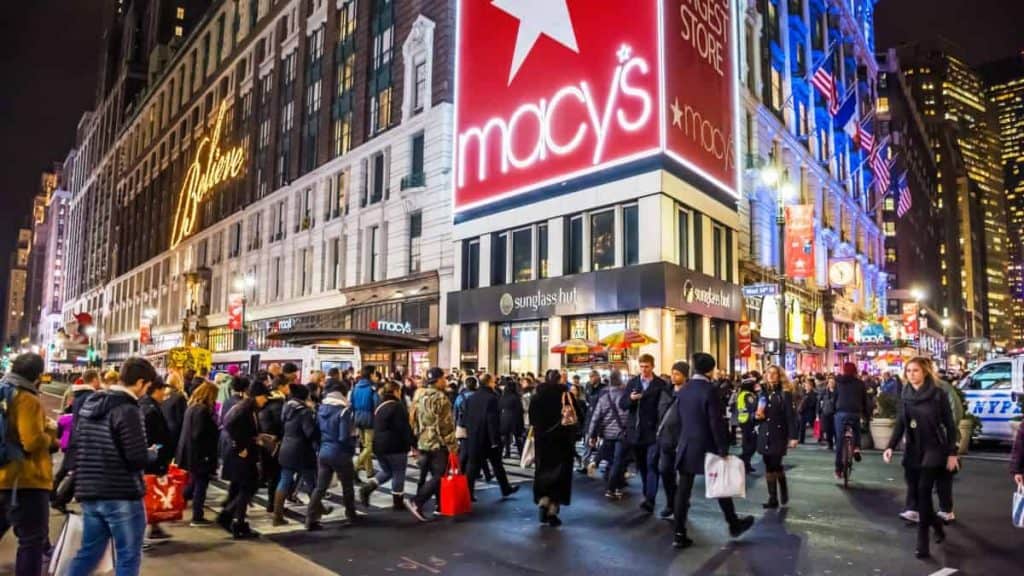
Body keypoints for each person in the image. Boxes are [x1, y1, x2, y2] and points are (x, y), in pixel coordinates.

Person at [68, 357, 157, 576]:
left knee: (89, 552)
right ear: (139, 382)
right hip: (121, 493)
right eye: (146, 386)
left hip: (90, 490)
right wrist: (152, 454)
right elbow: (135, 457)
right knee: (127, 556)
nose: (146, 391)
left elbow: (79, 444)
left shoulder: (90, 404)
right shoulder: (128, 409)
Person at [673, 353, 755, 549]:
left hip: (686, 444)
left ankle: (678, 532)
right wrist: (722, 447)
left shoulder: (683, 390)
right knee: (720, 484)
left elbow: (679, 418)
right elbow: (715, 422)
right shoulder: (710, 390)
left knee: (683, 491)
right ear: (710, 370)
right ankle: (733, 523)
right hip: (706, 444)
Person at [883, 357, 958, 560]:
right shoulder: (905, 394)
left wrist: (952, 453)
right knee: (919, 495)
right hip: (913, 449)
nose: (911, 374)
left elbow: (950, 426)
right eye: (908, 371)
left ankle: (922, 544)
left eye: (915, 370)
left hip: (934, 447)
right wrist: (890, 446)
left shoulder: (938, 394)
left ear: (925, 372)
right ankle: (937, 527)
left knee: (924, 492)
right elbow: (900, 423)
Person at [0, 353, 58, 576]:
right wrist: (51, 432)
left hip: (3, 476)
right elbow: (32, 441)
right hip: (26, 480)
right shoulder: (26, 399)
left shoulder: (4, 392)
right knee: (32, 541)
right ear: (37, 375)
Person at [618, 353, 671, 513]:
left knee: (651, 464)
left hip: (653, 432)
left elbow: (665, 406)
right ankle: (647, 493)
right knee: (642, 465)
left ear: (652, 367)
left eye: (647, 367)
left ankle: (650, 499)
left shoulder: (660, 384)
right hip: (636, 432)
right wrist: (631, 399)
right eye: (641, 367)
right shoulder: (633, 383)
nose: (644, 370)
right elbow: (623, 404)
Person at [406, 367, 458, 521]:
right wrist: (453, 446)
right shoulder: (441, 398)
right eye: (444, 378)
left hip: (422, 439)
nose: (446, 381)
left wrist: (414, 439)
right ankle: (417, 501)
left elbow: (412, 418)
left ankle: (440, 506)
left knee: (427, 472)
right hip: (437, 442)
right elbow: (446, 426)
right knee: (440, 475)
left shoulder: (419, 395)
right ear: (438, 380)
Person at [529, 369, 579, 527]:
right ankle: (552, 509)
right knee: (560, 476)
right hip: (562, 441)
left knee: (543, 471)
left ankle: (543, 499)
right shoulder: (566, 395)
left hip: (542, 441)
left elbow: (531, 419)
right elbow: (578, 416)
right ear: (559, 380)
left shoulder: (537, 397)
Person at [307, 379, 357, 530]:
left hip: (324, 451)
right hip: (339, 452)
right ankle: (351, 515)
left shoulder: (321, 408)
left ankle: (310, 518)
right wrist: (351, 448)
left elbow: (315, 431)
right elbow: (344, 436)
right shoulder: (344, 410)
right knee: (347, 485)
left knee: (320, 487)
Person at [219, 377, 265, 538]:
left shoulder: (249, 409)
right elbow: (230, 426)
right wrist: (240, 447)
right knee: (247, 488)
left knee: (245, 489)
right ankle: (233, 519)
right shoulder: (244, 409)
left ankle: (235, 519)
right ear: (256, 396)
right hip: (242, 458)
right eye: (263, 397)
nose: (264, 400)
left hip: (245, 456)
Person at [359, 381, 415, 510]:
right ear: (396, 391)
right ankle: (398, 501)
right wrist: (413, 443)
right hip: (395, 445)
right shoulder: (398, 406)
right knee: (398, 472)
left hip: (379, 444)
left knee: (387, 471)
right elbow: (404, 428)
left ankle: (368, 487)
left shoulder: (380, 406)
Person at [463, 373, 518, 500]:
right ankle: (505, 488)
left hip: (474, 435)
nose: (495, 383)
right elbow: (491, 419)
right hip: (487, 437)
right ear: (489, 382)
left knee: (472, 466)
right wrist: (495, 439)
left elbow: (466, 416)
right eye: (493, 381)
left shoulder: (471, 397)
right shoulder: (492, 398)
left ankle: (468, 493)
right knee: (497, 464)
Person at [52, 369, 101, 512]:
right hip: (83, 438)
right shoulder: (90, 396)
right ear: (94, 379)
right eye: (98, 379)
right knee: (78, 472)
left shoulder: (79, 395)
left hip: (76, 436)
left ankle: (56, 495)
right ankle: (60, 498)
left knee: (70, 469)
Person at [274, 384, 320, 526]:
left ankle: (277, 516)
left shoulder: (287, 407)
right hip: (302, 451)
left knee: (284, 480)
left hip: (286, 448)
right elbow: (310, 432)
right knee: (311, 483)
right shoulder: (304, 411)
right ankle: (313, 517)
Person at [175, 382, 219, 526]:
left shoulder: (191, 407)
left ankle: (179, 503)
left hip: (189, 453)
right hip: (200, 455)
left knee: (193, 481)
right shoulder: (203, 411)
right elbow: (199, 434)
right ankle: (197, 516)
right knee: (201, 484)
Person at [756, 366, 799, 509]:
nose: (771, 376)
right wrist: (756, 416)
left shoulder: (784, 393)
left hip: (779, 434)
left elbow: (790, 416)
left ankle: (781, 490)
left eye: (774, 373)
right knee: (769, 465)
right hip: (764, 432)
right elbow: (756, 413)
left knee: (774, 463)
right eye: (769, 373)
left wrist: (793, 436)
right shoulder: (762, 392)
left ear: (779, 376)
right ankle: (773, 498)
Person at [139, 376, 174, 542]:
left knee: (151, 494)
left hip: (152, 458)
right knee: (149, 494)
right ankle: (145, 531)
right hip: (153, 459)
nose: (164, 394)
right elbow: (154, 438)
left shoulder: (148, 405)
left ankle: (154, 527)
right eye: (162, 390)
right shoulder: (150, 409)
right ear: (156, 390)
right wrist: (159, 456)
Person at [587, 369, 628, 499]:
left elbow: (596, 417)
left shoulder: (604, 397)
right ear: (621, 381)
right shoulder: (625, 396)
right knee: (618, 461)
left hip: (607, 434)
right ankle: (613, 487)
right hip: (622, 433)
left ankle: (611, 482)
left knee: (611, 460)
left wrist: (591, 435)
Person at [655, 361, 688, 518]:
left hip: (683, 441)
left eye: (678, 374)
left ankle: (681, 503)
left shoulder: (689, 394)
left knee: (684, 477)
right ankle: (671, 502)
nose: (674, 376)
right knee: (665, 472)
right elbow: (659, 413)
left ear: (685, 376)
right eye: (673, 373)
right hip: (666, 440)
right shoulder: (665, 392)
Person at [834, 362, 868, 478]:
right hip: (855, 412)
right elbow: (865, 401)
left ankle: (838, 469)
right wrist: (866, 415)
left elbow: (834, 398)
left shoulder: (838, 382)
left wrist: (834, 409)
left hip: (841, 412)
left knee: (839, 441)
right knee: (856, 429)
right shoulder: (860, 383)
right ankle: (857, 448)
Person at [257, 376, 287, 512]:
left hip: (264, 442)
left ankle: (271, 503)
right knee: (276, 475)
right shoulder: (279, 404)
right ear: (281, 387)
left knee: (269, 474)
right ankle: (274, 504)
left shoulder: (266, 402)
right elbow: (281, 424)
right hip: (275, 443)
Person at [351, 366, 380, 483]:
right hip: (369, 418)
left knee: (364, 444)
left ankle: (369, 471)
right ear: (370, 375)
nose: (375, 376)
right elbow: (377, 404)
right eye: (374, 373)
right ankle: (354, 466)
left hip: (358, 418)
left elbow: (351, 403)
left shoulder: (355, 387)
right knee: (369, 447)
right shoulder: (372, 388)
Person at [160, 372, 188, 457]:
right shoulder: (180, 396)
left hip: (165, 429)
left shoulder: (163, 396)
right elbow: (183, 417)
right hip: (176, 431)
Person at [735, 376, 758, 473]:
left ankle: (746, 464)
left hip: (743, 420)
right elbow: (752, 407)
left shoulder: (741, 394)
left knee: (747, 443)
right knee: (752, 444)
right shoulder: (748, 395)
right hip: (748, 421)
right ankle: (742, 460)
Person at [499, 378, 526, 458]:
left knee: (506, 438)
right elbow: (520, 410)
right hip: (515, 418)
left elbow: (499, 407)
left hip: (505, 418)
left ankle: (506, 453)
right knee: (518, 438)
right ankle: (521, 454)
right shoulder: (516, 397)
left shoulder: (503, 397)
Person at [818, 376, 837, 450]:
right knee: (828, 430)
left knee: (835, 430)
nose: (831, 384)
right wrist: (818, 411)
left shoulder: (837, 392)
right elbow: (819, 401)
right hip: (826, 413)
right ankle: (830, 444)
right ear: (828, 383)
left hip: (835, 413)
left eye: (832, 382)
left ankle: (837, 443)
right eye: (830, 382)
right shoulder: (824, 391)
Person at [797, 379, 818, 444]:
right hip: (803, 412)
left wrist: (806, 404)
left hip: (810, 412)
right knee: (802, 427)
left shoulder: (814, 394)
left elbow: (813, 403)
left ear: (811, 386)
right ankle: (801, 439)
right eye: (806, 385)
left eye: (808, 385)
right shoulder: (804, 393)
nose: (806, 386)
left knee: (813, 425)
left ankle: (819, 437)